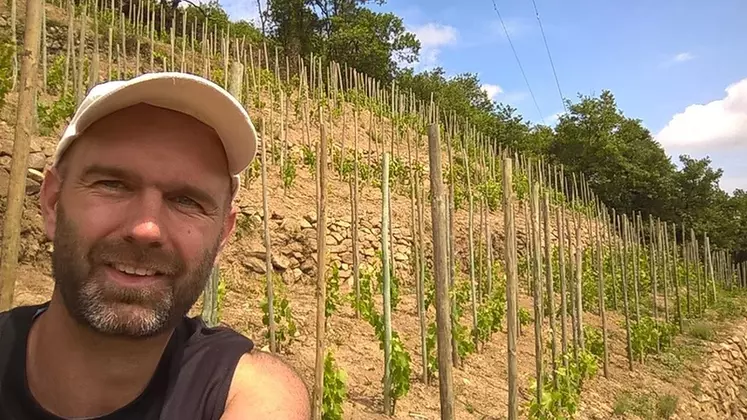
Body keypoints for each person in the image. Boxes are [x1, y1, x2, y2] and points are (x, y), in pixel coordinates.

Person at [0, 72, 311, 419]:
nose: (147, 229)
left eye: (187, 201)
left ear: (223, 233)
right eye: (113, 184)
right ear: (53, 202)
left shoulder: (243, 395)